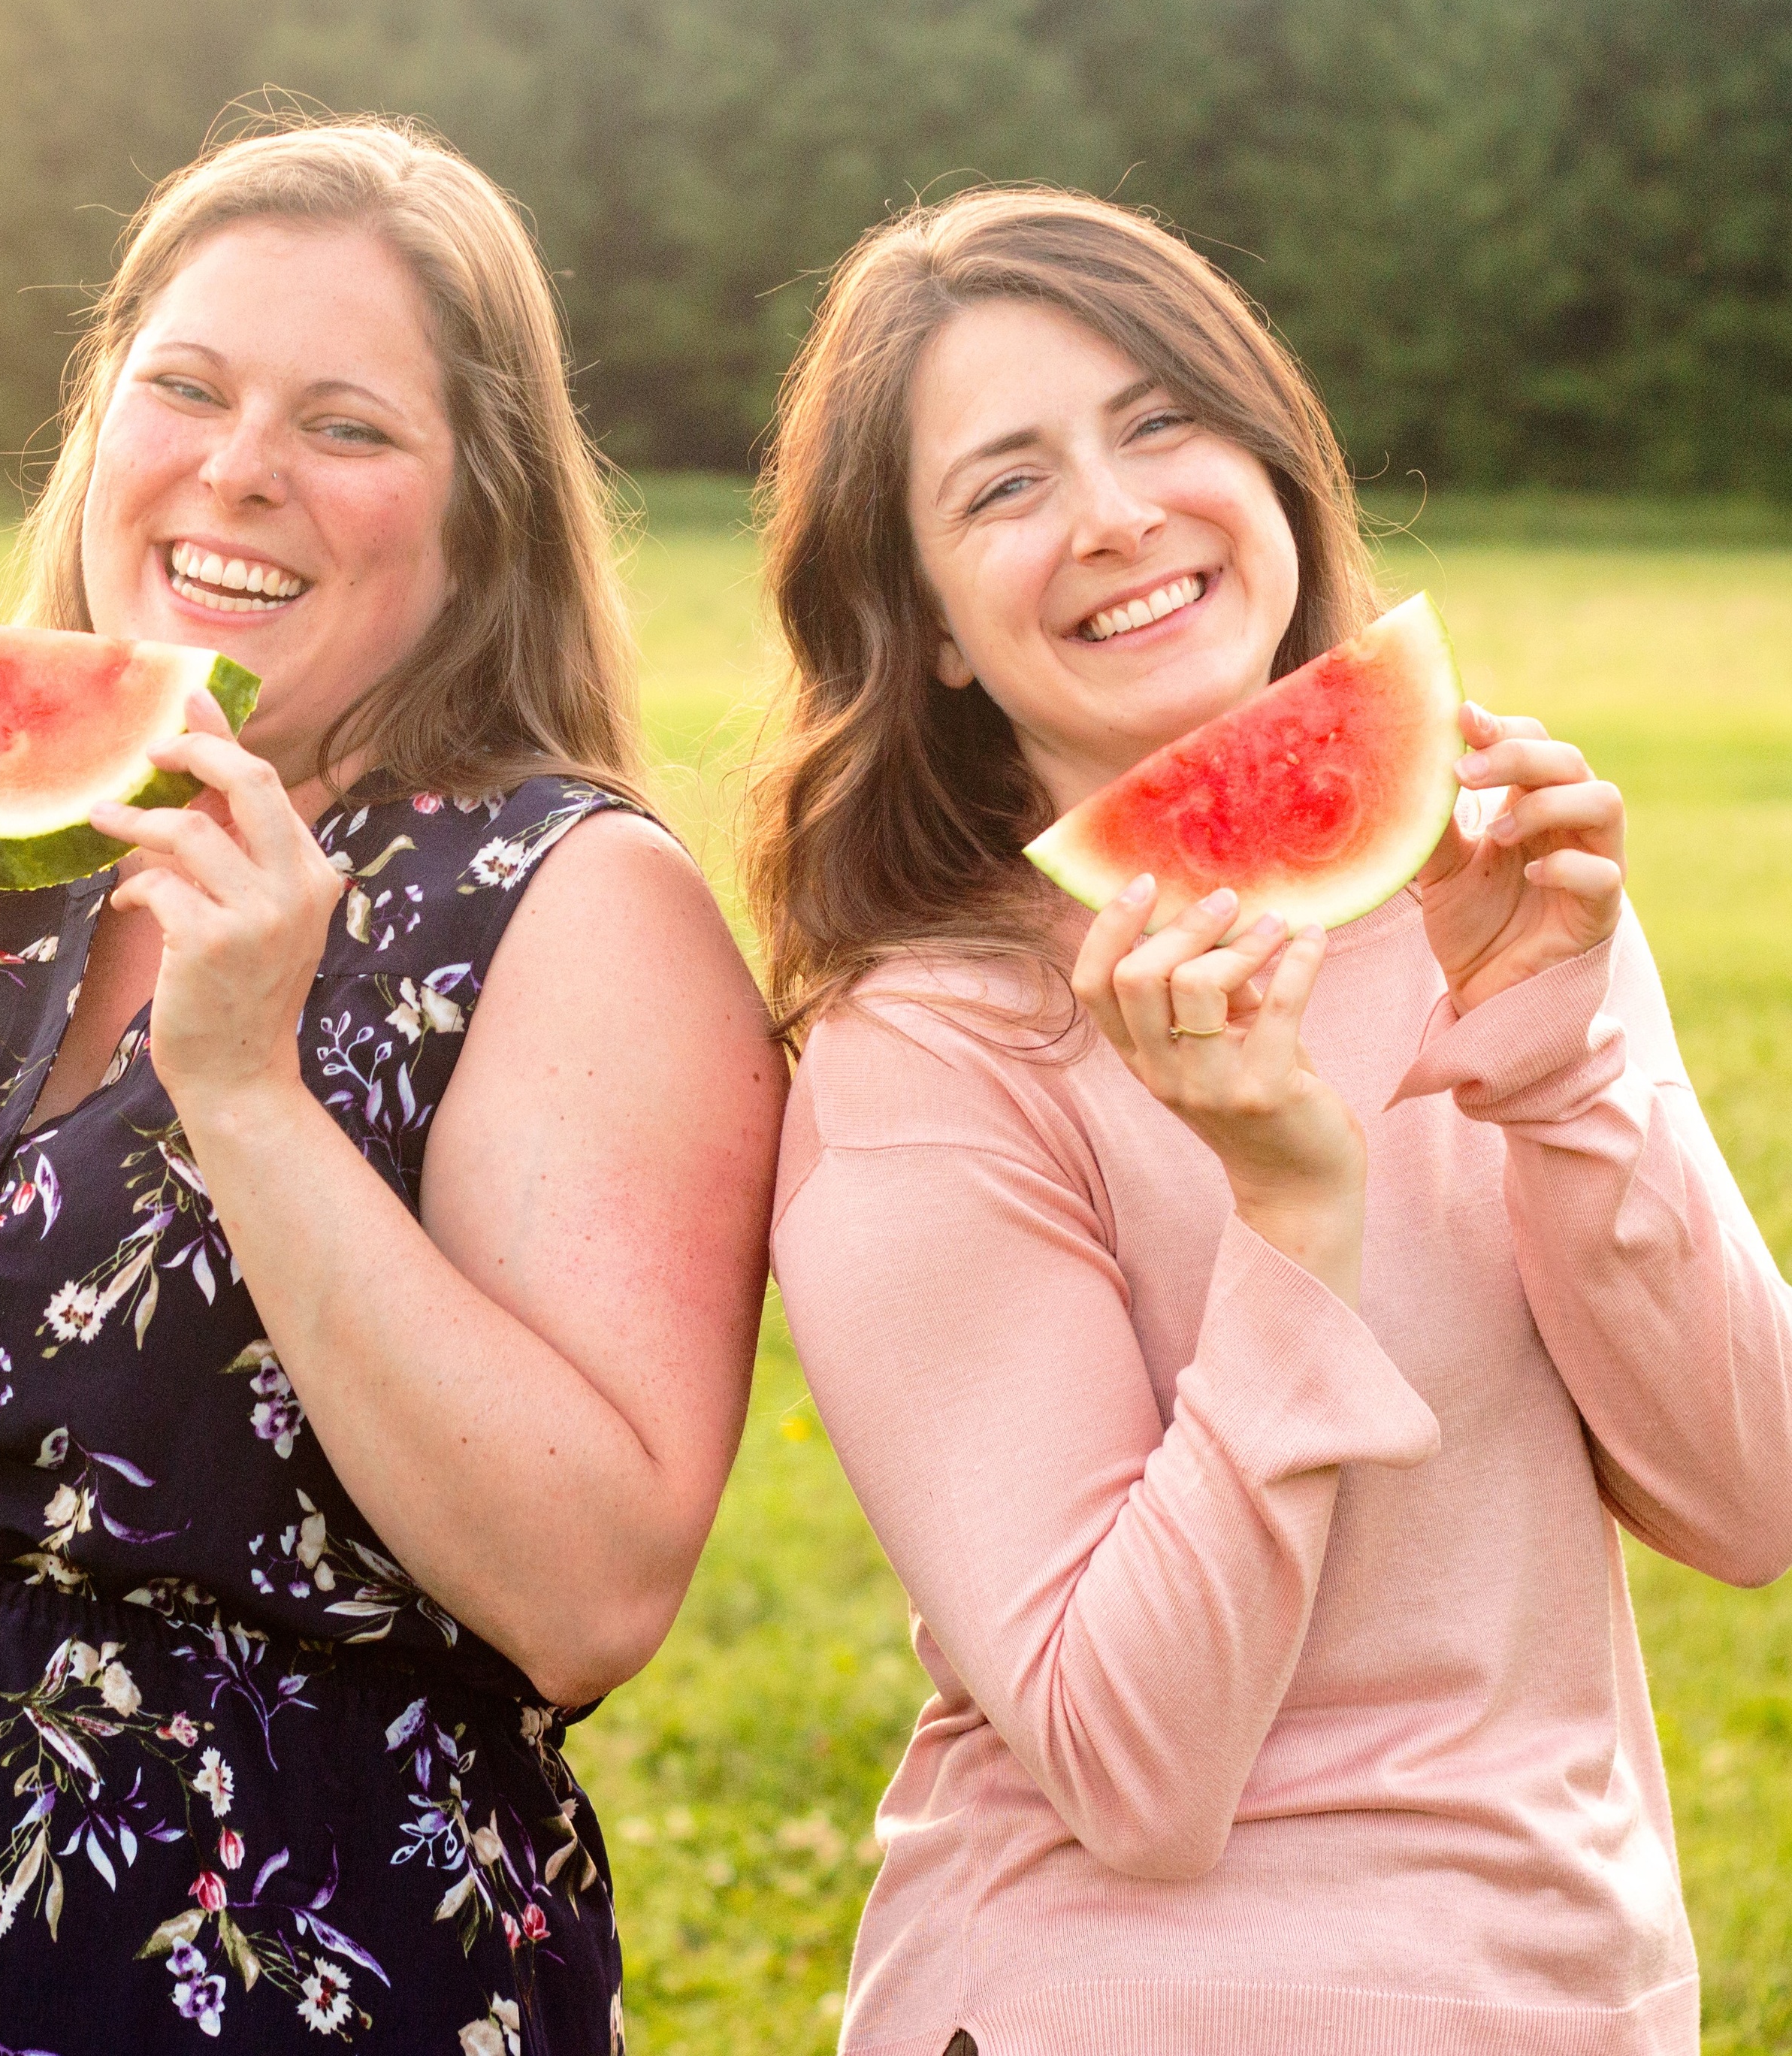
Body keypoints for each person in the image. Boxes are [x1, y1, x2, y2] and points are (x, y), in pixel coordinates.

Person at [0, 116, 784, 2053]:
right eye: (182, 389)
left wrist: (252, 1093)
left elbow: (593, 1589)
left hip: (293, 1965)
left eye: (349, 426)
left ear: (485, 513)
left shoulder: (573, 904)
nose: (238, 470)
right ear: (98, 423)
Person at [746, 185, 1792, 2056]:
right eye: (1006, 486)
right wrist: (1290, 1220)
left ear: (1276, 465)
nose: (1118, 511)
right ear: (939, 637)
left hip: (1562, 1998)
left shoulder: (1493, 880)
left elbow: (1750, 1496)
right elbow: (1132, 1772)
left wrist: (1551, 1053)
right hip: (1124, 2003)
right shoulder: (924, 1050)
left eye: (1162, 420)